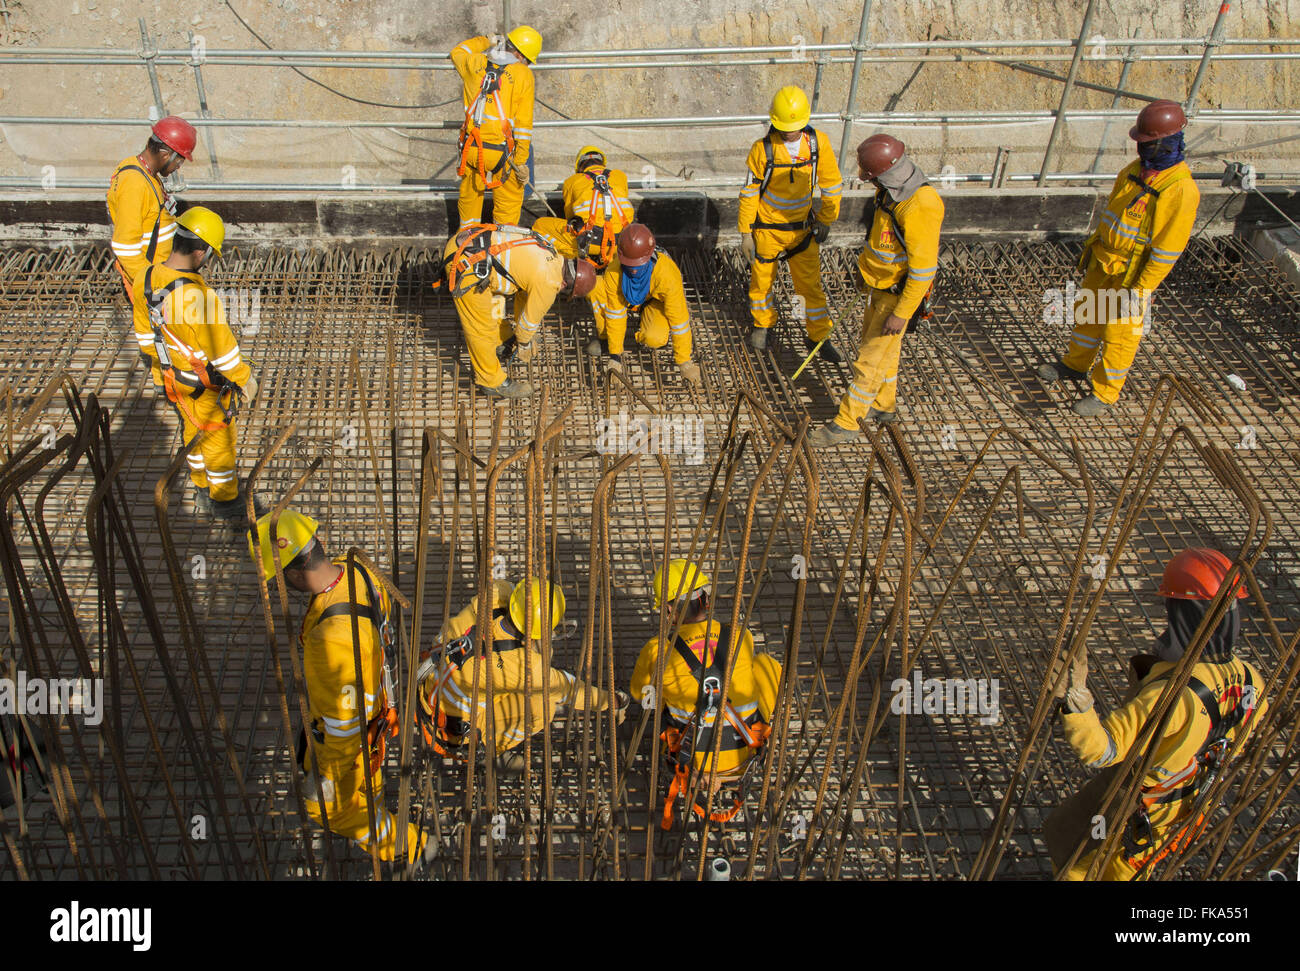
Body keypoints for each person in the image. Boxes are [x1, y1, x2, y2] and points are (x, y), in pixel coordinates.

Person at [1043, 548, 1268, 880]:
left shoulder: (1172, 696)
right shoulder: (1253, 679)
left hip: (1133, 811)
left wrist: (1076, 703)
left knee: (1078, 864)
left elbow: (1101, 750)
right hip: (1184, 808)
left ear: (1183, 615)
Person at [249, 510, 428, 864]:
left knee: (327, 809)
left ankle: (410, 846)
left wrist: (325, 777)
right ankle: (380, 818)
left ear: (296, 572)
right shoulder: (357, 570)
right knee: (367, 790)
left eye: (281, 577)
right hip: (377, 712)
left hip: (353, 736)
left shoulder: (329, 644)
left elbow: (343, 729)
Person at [1037, 100, 1201, 416]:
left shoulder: (1180, 190)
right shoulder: (1134, 172)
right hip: (1105, 260)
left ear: (1166, 142)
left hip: (1133, 274)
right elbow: (1113, 214)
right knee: (1088, 316)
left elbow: (1167, 250)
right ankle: (1075, 365)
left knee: (1119, 334)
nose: (1141, 149)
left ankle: (1105, 393)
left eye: (1147, 143)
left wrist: (1142, 290)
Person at [808, 134, 943, 446]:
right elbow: (881, 242)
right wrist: (864, 272)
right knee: (886, 354)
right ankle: (884, 406)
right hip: (878, 288)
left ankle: (847, 423)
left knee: (868, 361)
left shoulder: (920, 206)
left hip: (897, 297)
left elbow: (923, 271)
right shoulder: (889, 193)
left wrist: (902, 313)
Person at [416, 578, 627, 773]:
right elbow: (566, 688)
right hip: (453, 728)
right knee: (542, 708)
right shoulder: (525, 667)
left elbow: (515, 589)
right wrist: (610, 701)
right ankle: (487, 751)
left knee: (491, 682)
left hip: (427, 687)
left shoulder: (497, 592)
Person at [630, 559, 781, 827]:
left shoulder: (657, 650)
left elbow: (640, 695)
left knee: (658, 692)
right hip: (743, 753)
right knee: (766, 666)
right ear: (707, 600)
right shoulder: (738, 634)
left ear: (667, 610)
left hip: (689, 759)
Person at [131, 206, 259, 518]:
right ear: (200, 253)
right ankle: (225, 500)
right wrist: (245, 379)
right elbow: (223, 354)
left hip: (172, 379)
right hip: (204, 385)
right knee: (217, 435)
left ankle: (201, 485)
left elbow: (147, 340)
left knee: (192, 429)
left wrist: (169, 365)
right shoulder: (198, 299)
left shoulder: (145, 277)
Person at [739, 86, 843, 356]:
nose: (790, 131)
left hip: (802, 230)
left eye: (795, 126)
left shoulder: (818, 143)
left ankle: (818, 336)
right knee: (761, 283)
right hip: (768, 230)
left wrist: (826, 219)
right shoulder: (763, 150)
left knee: (810, 287)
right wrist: (745, 233)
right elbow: (749, 193)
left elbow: (831, 185)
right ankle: (763, 325)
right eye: (785, 126)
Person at [441, 223, 597, 398]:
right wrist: (524, 342)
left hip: (466, 242)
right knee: (480, 329)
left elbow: (523, 296)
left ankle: (500, 340)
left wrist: (515, 336)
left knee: (495, 305)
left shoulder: (551, 251)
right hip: (467, 264)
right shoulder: (550, 282)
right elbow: (528, 323)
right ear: (564, 285)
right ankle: (490, 381)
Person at [587, 224, 701, 386]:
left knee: (654, 338)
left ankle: (641, 333)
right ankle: (605, 339)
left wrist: (684, 362)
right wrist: (615, 357)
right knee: (596, 287)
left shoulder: (667, 274)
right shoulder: (614, 270)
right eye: (629, 264)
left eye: (638, 264)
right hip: (627, 298)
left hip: (652, 302)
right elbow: (615, 314)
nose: (633, 270)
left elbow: (679, 321)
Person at [450, 27, 541, 228]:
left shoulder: (475, 62)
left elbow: (457, 51)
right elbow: (524, 126)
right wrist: (521, 162)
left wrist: (485, 41)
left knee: (469, 212)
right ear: (519, 54)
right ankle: (502, 252)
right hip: (504, 154)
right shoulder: (523, 74)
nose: (525, 64)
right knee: (507, 216)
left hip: (472, 148)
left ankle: (468, 249)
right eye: (526, 59)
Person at [106, 115, 196, 302]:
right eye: (178, 162)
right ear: (165, 155)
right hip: (150, 280)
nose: (177, 168)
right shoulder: (134, 184)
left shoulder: (144, 172)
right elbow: (125, 246)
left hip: (160, 272)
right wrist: (150, 287)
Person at [532, 146, 635, 269]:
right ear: (602, 162)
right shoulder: (620, 176)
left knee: (539, 226)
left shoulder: (571, 181)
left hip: (589, 243)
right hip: (623, 241)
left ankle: (576, 255)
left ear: (579, 166)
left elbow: (571, 217)